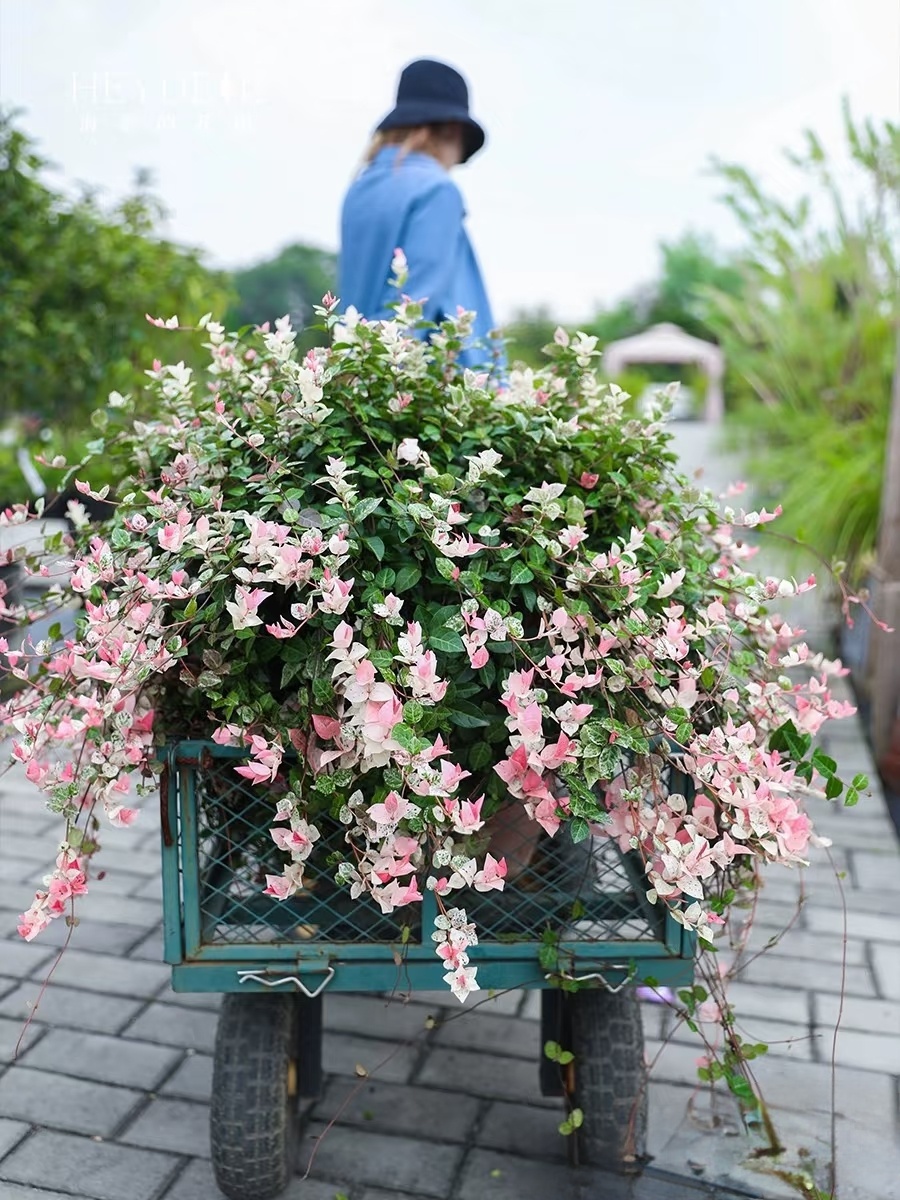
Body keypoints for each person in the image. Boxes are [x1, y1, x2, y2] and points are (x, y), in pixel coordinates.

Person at [339, 58, 503, 374]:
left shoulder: (358, 188)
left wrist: (352, 373)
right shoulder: (438, 191)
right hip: (421, 388)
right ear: (454, 129)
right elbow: (416, 303)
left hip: (356, 378)